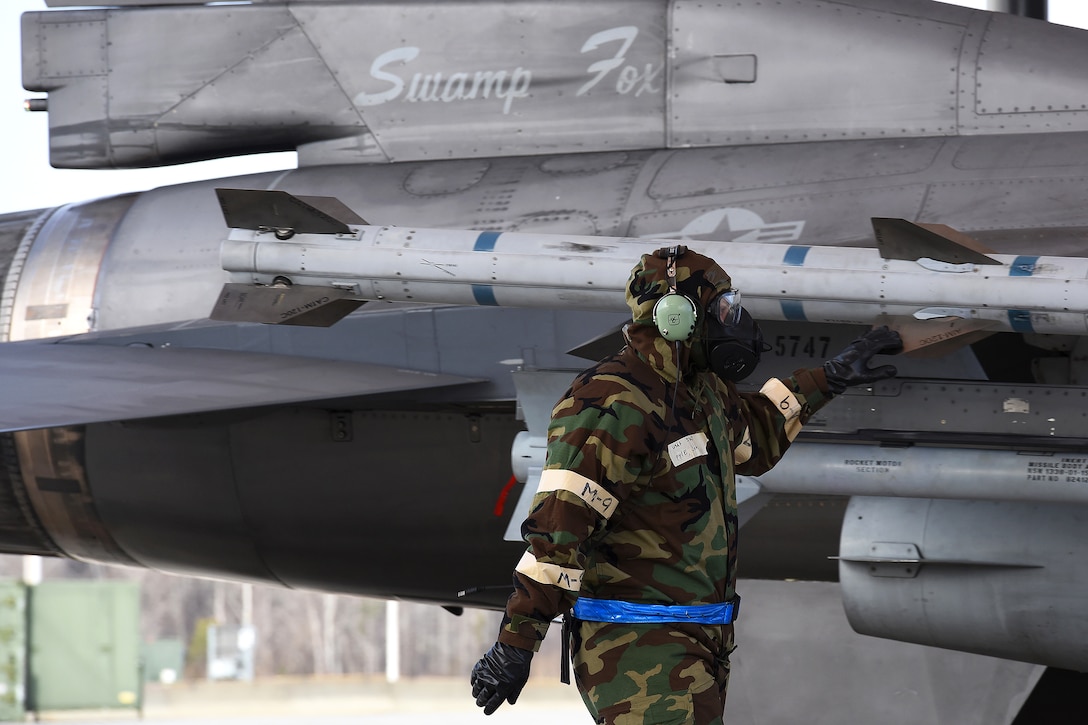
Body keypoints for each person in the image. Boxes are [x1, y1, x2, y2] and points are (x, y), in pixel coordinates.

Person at [471, 246, 902, 724]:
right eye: (721, 307)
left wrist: (830, 378)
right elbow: (558, 531)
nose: (732, 320)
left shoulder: (702, 392)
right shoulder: (611, 403)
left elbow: (753, 439)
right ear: (677, 315)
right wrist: (516, 644)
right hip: (637, 648)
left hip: (700, 643)